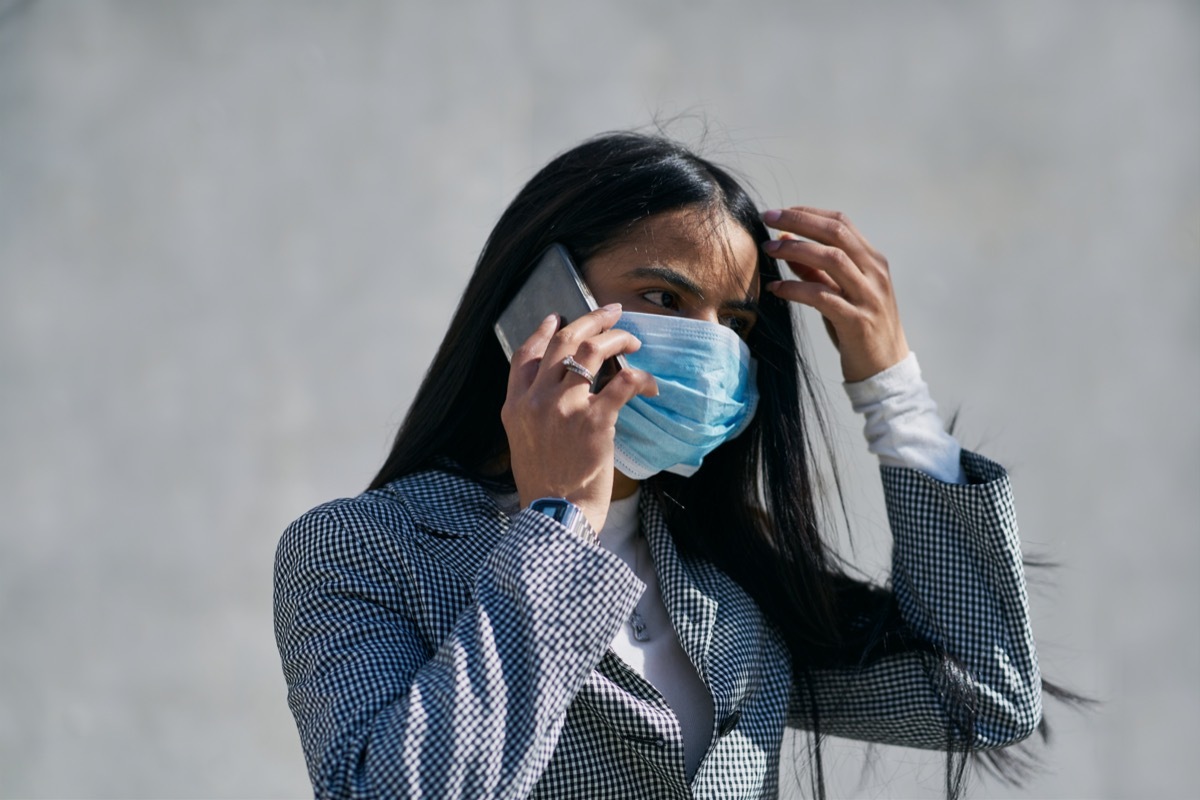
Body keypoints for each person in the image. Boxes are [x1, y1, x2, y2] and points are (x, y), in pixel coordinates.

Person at [273, 131, 1045, 799]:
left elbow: (982, 695)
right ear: (542, 301)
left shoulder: (728, 574)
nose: (712, 347)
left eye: (736, 322)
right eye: (665, 299)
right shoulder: (360, 549)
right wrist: (559, 525)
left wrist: (892, 394)